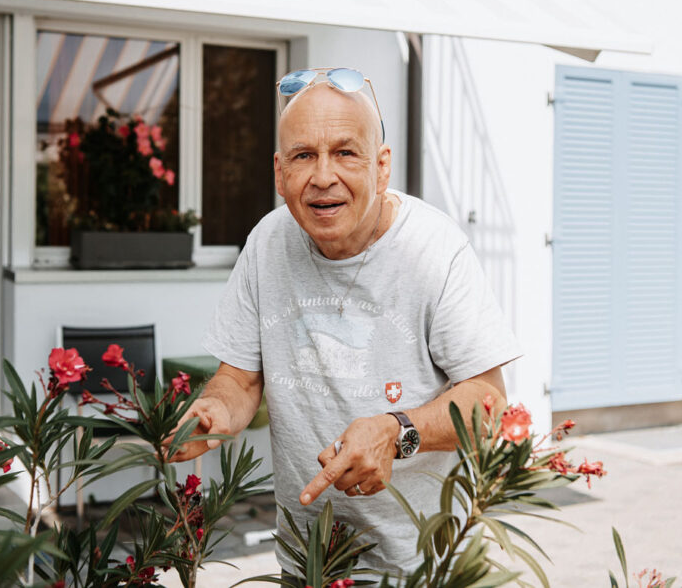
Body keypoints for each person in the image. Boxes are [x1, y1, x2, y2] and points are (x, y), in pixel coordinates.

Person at [167, 67, 521, 575]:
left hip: (423, 566)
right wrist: (215, 412)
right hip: (309, 561)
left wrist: (397, 430)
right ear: (279, 172)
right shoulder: (267, 243)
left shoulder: (435, 250)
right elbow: (240, 380)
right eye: (304, 155)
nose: (323, 176)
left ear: (382, 168)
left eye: (345, 153)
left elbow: (489, 407)